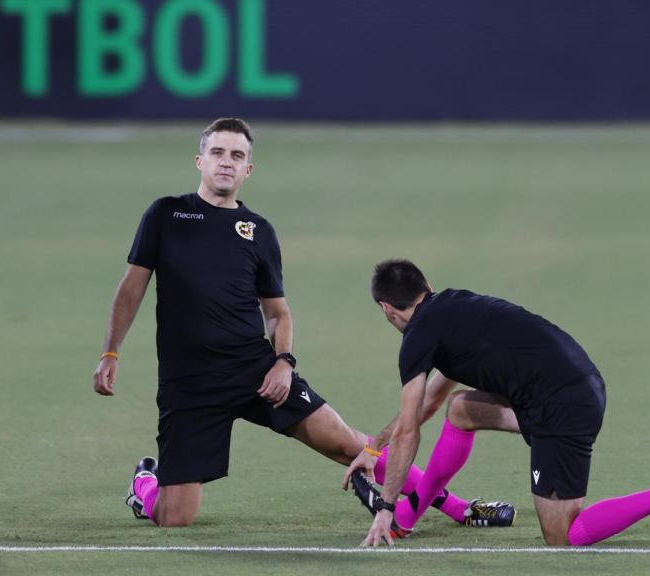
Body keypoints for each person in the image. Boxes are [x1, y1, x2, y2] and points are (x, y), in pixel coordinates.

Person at [92, 118, 514, 529]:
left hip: (254, 369)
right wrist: (111, 351)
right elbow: (131, 289)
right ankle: (145, 484)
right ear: (199, 161)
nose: (226, 161)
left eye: (237, 155)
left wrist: (284, 362)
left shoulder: (257, 231)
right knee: (175, 517)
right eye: (217, 152)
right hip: (189, 384)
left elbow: (277, 313)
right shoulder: (166, 215)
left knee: (349, 443)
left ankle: (461, 509)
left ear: (248, 169)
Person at [347, 258, 650, 547]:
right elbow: (429, 403)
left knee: (562, 536)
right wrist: (374, 448)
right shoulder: (452, 308)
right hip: (574, 386)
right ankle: (409, 519)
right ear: (425, 287)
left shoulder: (417, 336)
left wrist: (385, 506)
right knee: (460, 410)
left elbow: (410, 429)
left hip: (561, 406)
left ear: (386, 309)